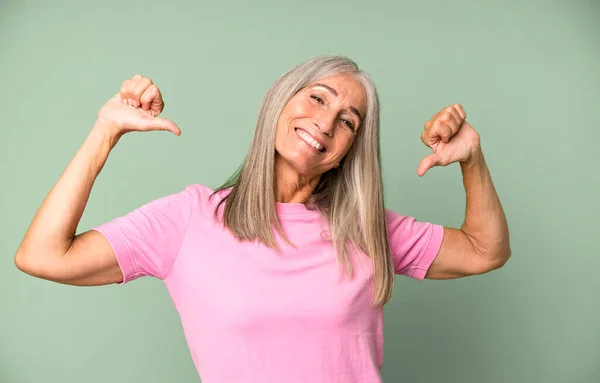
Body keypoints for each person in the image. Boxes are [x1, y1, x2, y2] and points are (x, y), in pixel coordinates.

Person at [14, 55, 510, 382]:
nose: (325, 122)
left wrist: (472, 157)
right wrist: (106, 131)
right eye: (317, 97)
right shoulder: (190, 218)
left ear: (345, 153)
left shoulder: (364, 229)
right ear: (279, 103)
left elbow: (486, 249)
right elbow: (42, 255)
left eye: (348, 122)